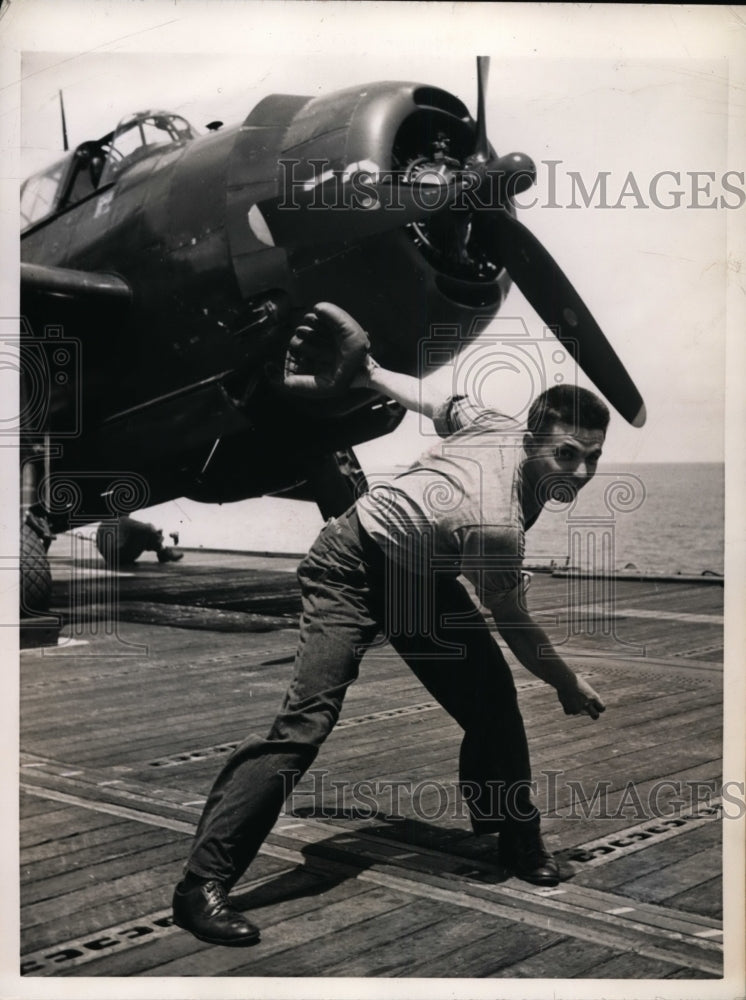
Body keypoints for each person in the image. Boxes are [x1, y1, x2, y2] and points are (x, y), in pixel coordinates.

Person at [172, 303, 607, 947]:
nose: (578, 471)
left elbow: (432, 400)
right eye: (566, 453)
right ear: (533, 435)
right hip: (351, 563)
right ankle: (200, 887)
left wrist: (370, 370)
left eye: (592, 458)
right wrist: (568, 686)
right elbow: (516, 626)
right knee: (305, 723)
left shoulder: (494, 423)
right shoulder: (496, 524)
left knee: (493, 704)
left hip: (422, 577)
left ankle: (513, 836)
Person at [95, 515, 183, 566]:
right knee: (147, 530)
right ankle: (163, 552)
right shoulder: (124, 520)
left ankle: (162, 552)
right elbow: (148, 528)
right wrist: (157, 535)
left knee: (140, 532)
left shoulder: (103, 524)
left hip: (110, 559)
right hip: (123, 558)